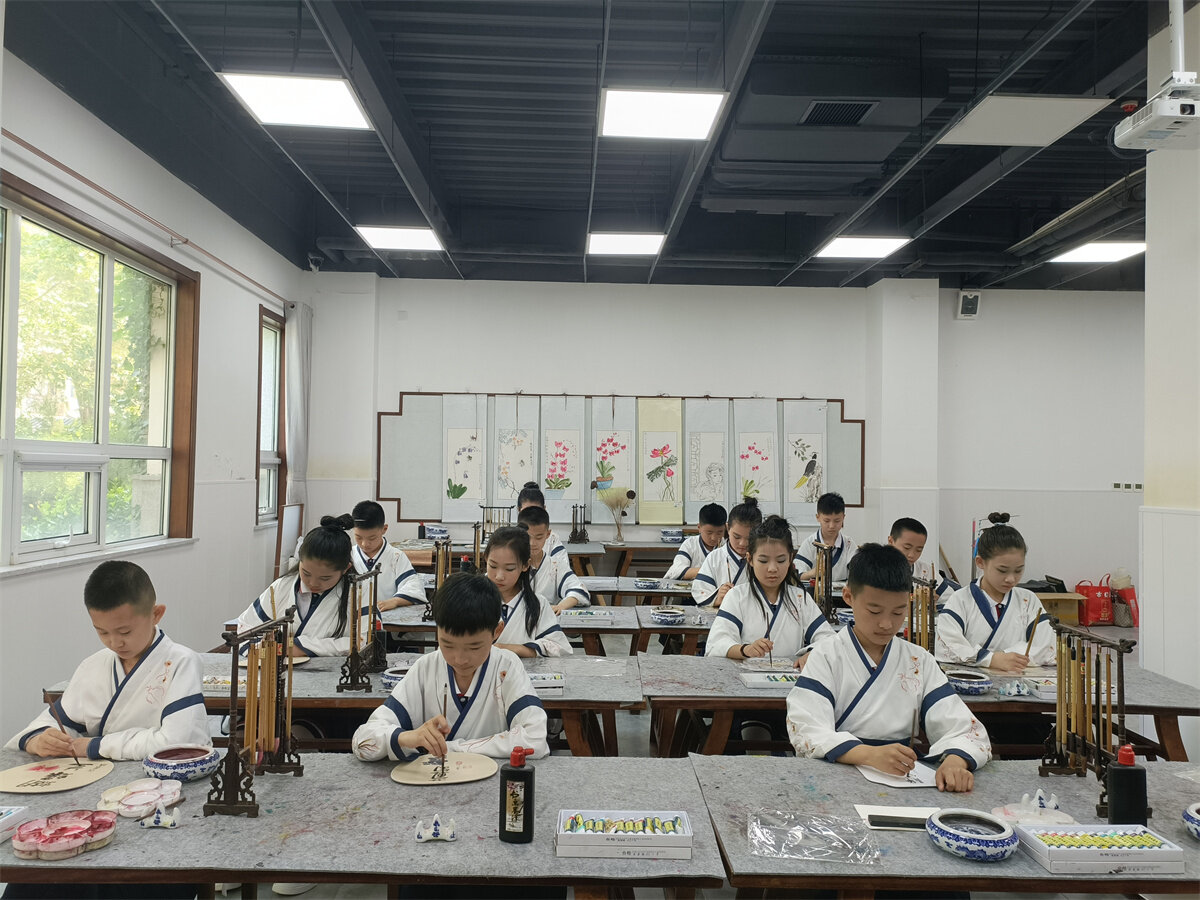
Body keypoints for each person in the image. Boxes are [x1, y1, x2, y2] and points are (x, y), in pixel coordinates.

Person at [787, 543, 991, 792]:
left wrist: (955, 762)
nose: (886, 624)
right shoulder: (826, 656)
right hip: (836, 777)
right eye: (874, 611)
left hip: (901, 778)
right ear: (849, 597)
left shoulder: (918, 660)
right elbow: (807, 728)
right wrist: (868, 754)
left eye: (898, 612)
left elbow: (963, 728)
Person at [6, 560, 209, 761]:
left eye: (125, 632)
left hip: (161, 775)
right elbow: (54, 723)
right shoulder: (93, 665)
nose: (114, 642)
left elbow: (179, 742)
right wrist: (39, 739)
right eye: (102, 632)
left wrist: (96, 746)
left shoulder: (181, 662)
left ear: (156, 614)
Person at [352, 573, 549, 763]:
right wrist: (405, 738)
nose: (460, 659)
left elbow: (535, 739)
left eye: (474, 647)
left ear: (497, 631)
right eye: (447, 644)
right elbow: (363, 742)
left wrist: (452, 748)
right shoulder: (425, 669)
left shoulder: (506, 667)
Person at [705, 515, 835, 666]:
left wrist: (812, 653)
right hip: (746, 677)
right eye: (763, 561)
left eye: (781, 560)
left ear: (790, 559)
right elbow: (717, 643)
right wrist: (745, 649)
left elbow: (829, 640)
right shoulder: (736, 596)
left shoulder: (800, 598)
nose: (772, 568)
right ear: (750, 559)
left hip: (791, 676)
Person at [235, 514, 367, 658]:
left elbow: (366, 640)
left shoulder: (359, 592)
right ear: (299, 561)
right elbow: (245, 629)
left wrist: (302, 647)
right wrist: (262, 648)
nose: (313, 583)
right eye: (306, 573)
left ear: (346, 569)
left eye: (325, 578)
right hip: (279, 667)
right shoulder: (282, 587)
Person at [935, 514, 1053, 675]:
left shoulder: (1028, 600)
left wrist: (1007, 657)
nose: (1011, 579)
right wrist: (991, 659)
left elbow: (1047, 646)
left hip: (1019, 682)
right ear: (980, 562)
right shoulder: (960, 600)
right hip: (972, 682)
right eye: (1002, 570)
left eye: (1018, 570)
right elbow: (947, 646)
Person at [484, 526, 573, 658]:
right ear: (486, 558)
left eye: (509, 568)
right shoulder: (472, 598)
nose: (499, 576)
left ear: (525, 565)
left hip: (525, 671)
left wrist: (514, 649)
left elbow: (560, 647)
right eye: (493, 566)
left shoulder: (538, 604)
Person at [348, 500, 426, 609]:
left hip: (386, 616)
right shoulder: (348, 556)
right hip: (354, 616)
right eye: (358, 537)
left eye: (372, 538)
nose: (365, 544)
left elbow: (413, 588)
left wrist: (395, 601)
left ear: (384, 529)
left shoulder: (396, 557)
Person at [517, 505, 590, 613]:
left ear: (548, 534)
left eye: (539, 537)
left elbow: (578, 590)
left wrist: (560, 606)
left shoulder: (556, 566)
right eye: (527, 537)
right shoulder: (511, 563)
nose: (532, 543)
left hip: (548, 619)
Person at [691, 497, 761, 607]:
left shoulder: (763, 558)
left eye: (749, 538)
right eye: (736, 537)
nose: (742, 543)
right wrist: (718, 598)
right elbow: (700, 590)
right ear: (727, 528)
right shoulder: (715, 557)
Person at [887, 517, 958, 607]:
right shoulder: (874, 570)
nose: (912, 555)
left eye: (919, 550)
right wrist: (912, 597)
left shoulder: (926, 571)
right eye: (907, 548)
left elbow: (953, 602)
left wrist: (932, 604)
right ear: (891, 541)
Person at [795, 492, 858, 583]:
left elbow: (859, 573)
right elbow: (796, 576)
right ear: (818, 517)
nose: (832, 526)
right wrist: (813, 573)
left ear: (843, 517)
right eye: (826, 521)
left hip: (843, 591)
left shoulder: (849, 544)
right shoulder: (810, 543)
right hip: (815, 592)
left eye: (837, 521)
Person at [664, 503, 726, 581]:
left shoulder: (727, 545)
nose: (714, 538)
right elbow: (676, 571)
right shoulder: (690, 544)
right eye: (709, 532)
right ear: (699, 527)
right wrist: (710, 570)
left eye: (719, 532)